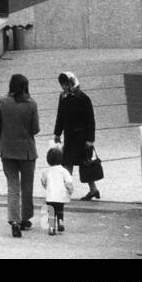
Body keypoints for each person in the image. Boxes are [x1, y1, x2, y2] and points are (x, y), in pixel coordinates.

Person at [0, 73, 39, 237]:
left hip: (7, 150)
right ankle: (25, 219)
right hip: (27, 152)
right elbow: (35, 129)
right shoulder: (31, 104)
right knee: (27, 186)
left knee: (13, 186)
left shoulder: (3, 102)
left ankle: (14, 221)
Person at [53, 72, 100, 200]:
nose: (64, 87)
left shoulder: (84, 98)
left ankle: (93, 190)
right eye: (62, 84)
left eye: (66, 84)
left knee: (86, 164)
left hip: (82, 137)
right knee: (67, 163)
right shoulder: (63, 97)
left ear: (72, 82)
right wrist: (57, 133)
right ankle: (67, 190)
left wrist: (90, 139)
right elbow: (60, 116)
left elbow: (90, 120)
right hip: (70, 136)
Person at [39, 145, 76, 235]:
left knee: (51, 211)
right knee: (60, 209)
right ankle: (60, 222)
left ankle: (51, 228)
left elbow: (43, 181)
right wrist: (70, 191)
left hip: (50, 195)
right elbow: (68, 182)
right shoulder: (64, 171)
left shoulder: (46, 171)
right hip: (61, 195)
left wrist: (46, 188)